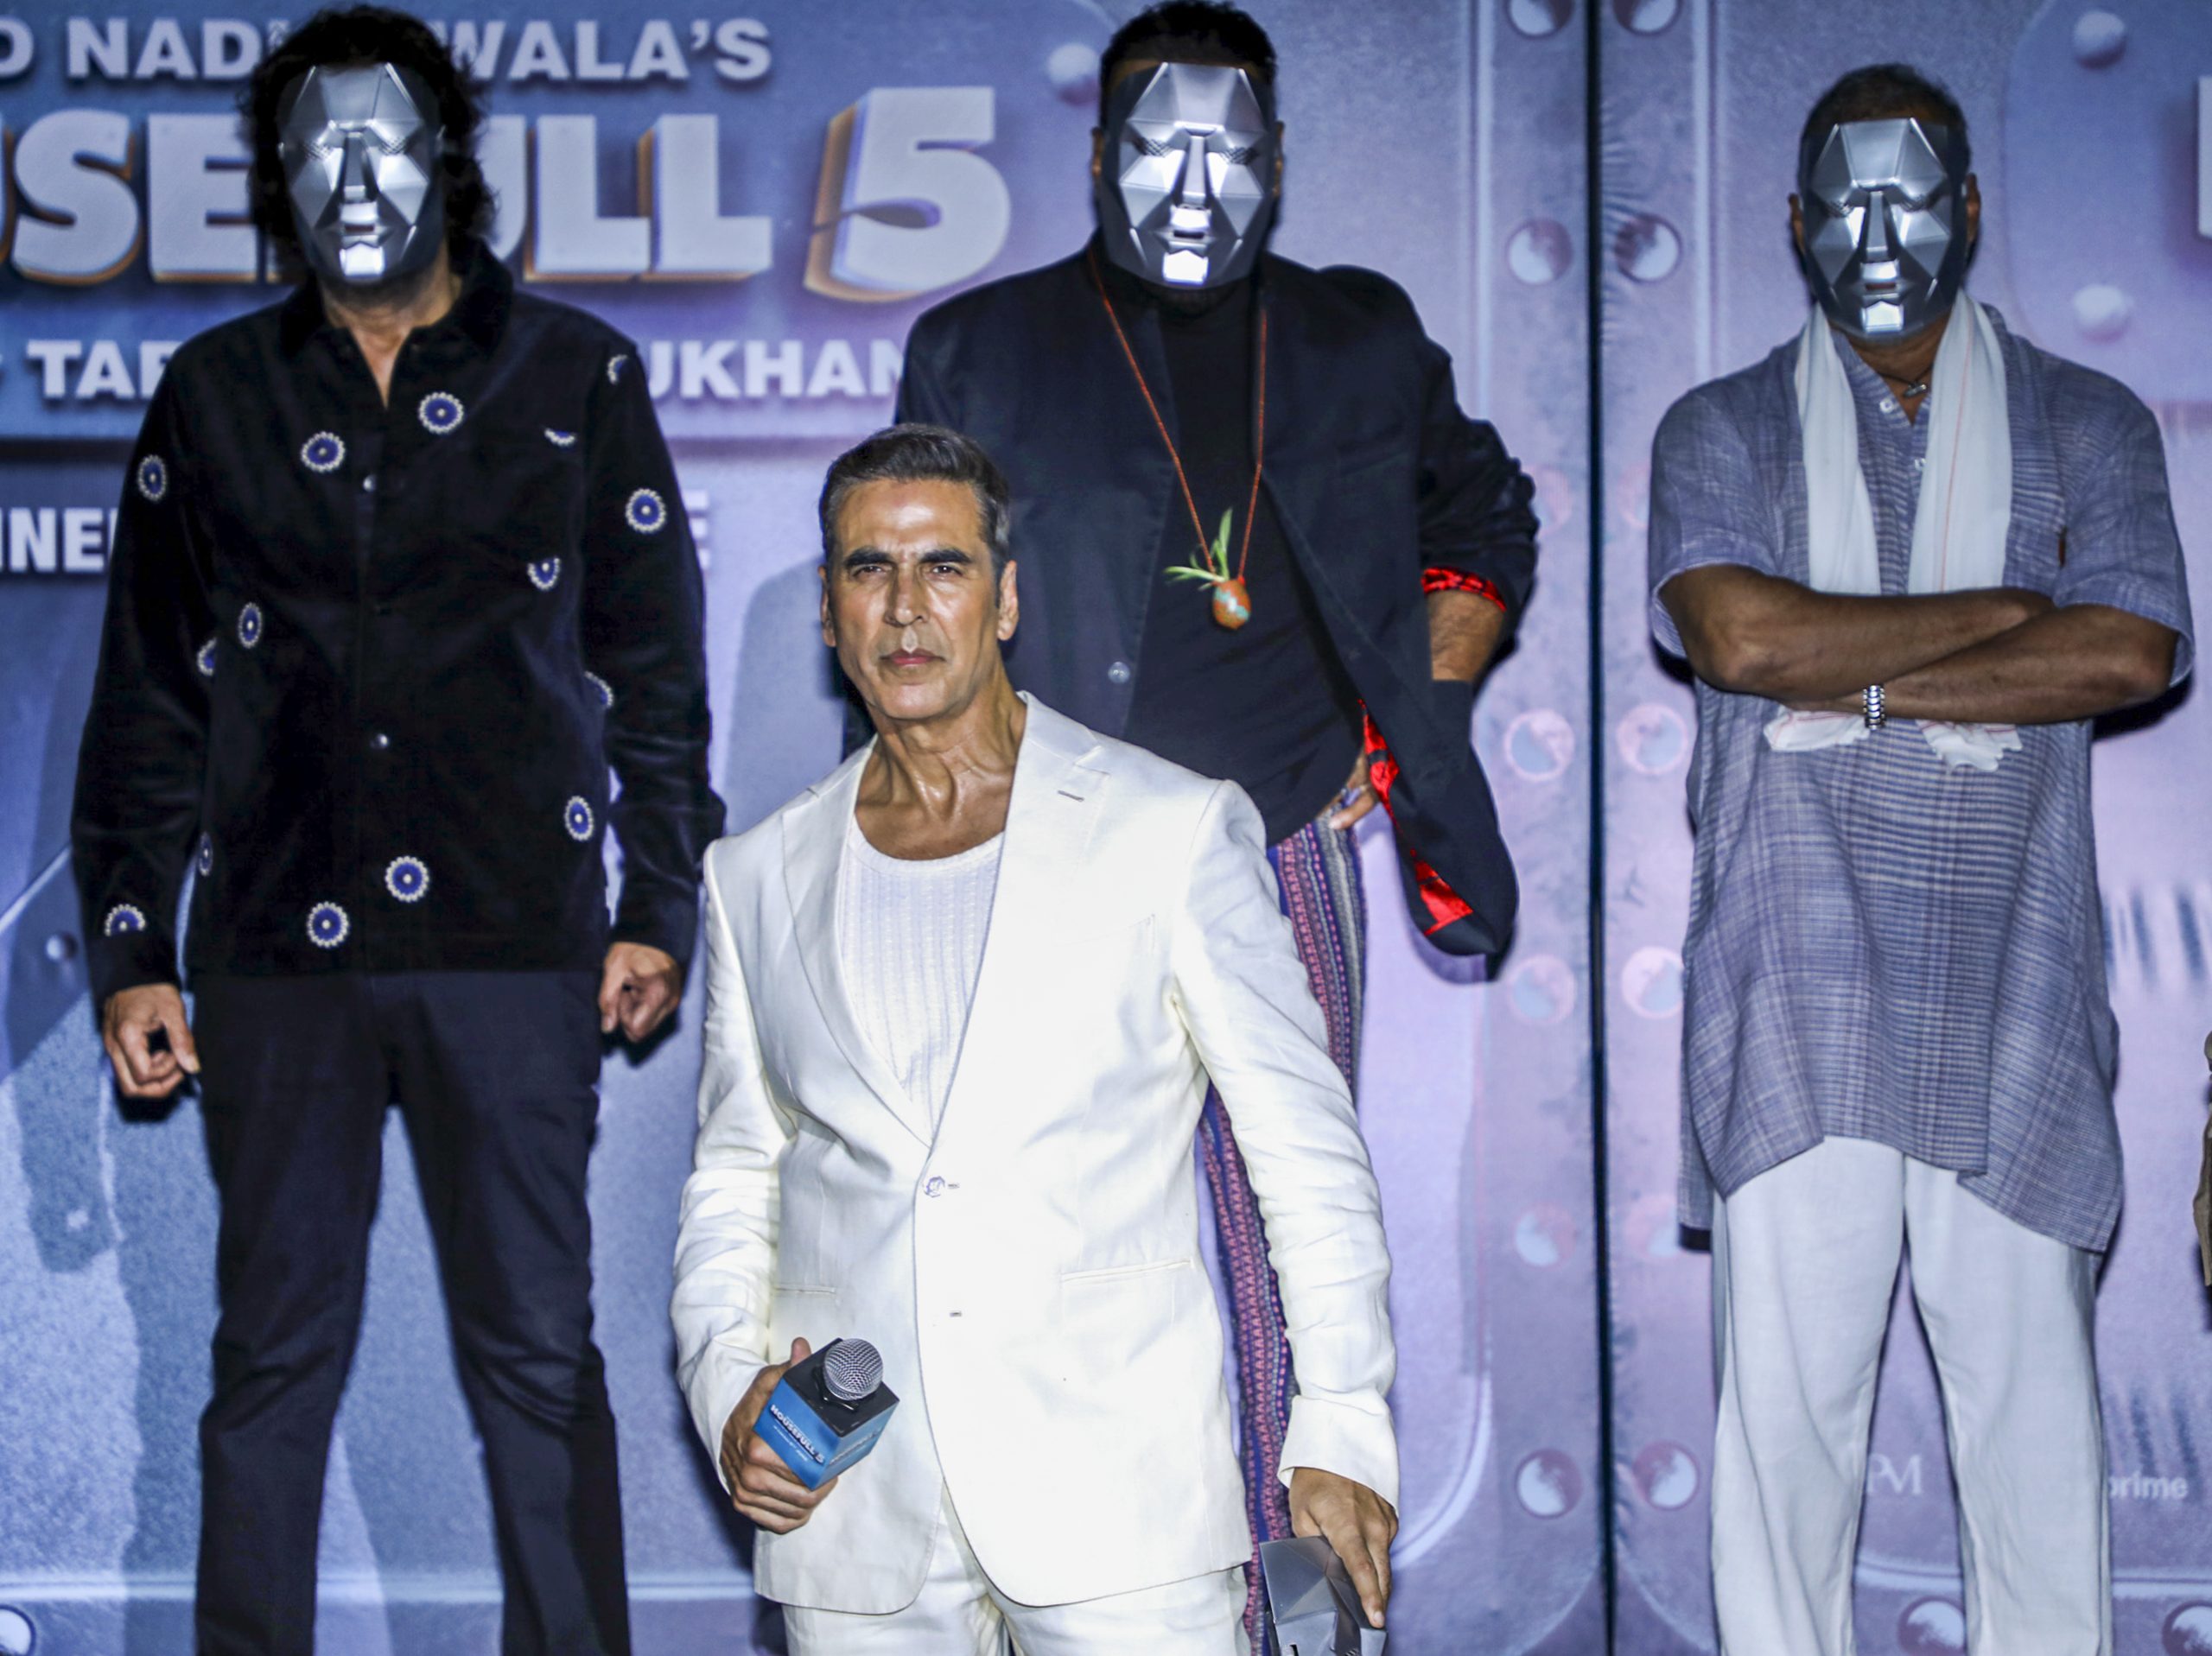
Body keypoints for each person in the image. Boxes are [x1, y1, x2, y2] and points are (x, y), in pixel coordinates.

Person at [69, 8, 722, 1650]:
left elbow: (652, 667)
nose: (354, 179)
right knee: (266, 1364)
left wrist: (657, 903)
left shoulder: (578, 374)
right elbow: (147, 697)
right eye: (317, 149)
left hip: (515, 943)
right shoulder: (212, 394)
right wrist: (133, 943)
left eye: (384, 140)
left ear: (447, 154)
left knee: (538, 1361)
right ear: (277, 179)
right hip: (277, 950)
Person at [892, 0, 1537, 1587]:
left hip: (1278, 843)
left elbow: (1486, 515)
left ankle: (1288, 1602)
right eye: (1154, 148)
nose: (1191, 185)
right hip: (1051, 855)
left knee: (1292, 1246)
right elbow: (914, 597)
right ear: (1096, 153)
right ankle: (1074, 1600)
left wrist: (1412, 710)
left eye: (1229, 152)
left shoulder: (1355, 334)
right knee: (1045, 1248)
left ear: (1280, 160)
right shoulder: (982, 348)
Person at [671, 425, 1398, 1654]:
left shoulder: (1171, 828)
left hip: (1118, 1506)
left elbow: (1306, 1156)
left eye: (944, 566)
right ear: (828, 609)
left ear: (1005, 599)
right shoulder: (753, 873)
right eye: (868, 568)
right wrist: (726, 1383)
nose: (906, 607)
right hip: (851, 1515)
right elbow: (737, 1176)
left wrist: (1339, 1423)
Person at [1649, 62, 2191, 1656]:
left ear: (1971, 205)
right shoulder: (1720, 425)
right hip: (1792, 986)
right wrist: (2013, 611)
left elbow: (2130, 648)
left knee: (2037, 1453)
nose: (1877, 234)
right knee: (1784, 1462)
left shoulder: (2087, 419)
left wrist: (1867, 682)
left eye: (1912, 196)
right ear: (1793, 221)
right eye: (1844, 202)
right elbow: (1742, 639)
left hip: (2013, 985)